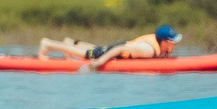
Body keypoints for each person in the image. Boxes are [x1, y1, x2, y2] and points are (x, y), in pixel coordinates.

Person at [40, 25, 182, 69]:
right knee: (89, 54)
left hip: (121, 47)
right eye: (173, 41)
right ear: (164, 42)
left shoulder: (161, 46)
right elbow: (119, 50)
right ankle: (48, 44)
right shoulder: (147, 50)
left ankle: (71, 42)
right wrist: (99, 63)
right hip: (117, 51)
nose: (175, 44)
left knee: (96, 48)